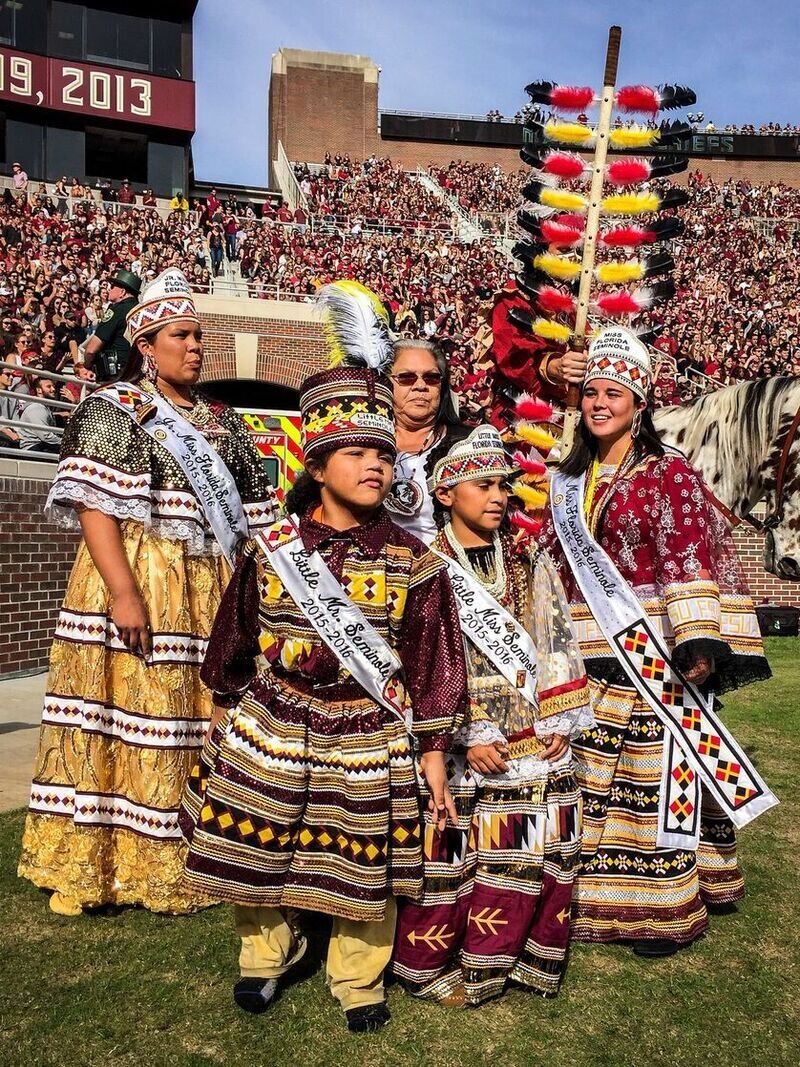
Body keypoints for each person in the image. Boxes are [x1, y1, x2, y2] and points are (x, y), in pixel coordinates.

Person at [179, 281, 468, 1033]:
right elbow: (235, 632)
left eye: (382, 451)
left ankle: (356, 974)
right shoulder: (274, 549)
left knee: (362, 854)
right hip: (275, 717)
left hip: (368, 725)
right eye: (359, 451)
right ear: (318, 459)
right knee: (255, 833)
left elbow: (433, 657)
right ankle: (263, 953)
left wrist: (434, 749)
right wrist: (219, 704)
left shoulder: (416, 559)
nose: (377, 464)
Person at [18, 268, 280, 917]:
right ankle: (95, 864)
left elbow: (255, 521)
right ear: (146, 344)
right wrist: (124, 592)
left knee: (189, 720)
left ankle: (187, 854)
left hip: (204, 587)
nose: (194, 346)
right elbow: (94, 510)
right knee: (113, 713)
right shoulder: (113, 408)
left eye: (198, 335)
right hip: (133, 577)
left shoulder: (224, 422)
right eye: (181, 335)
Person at [541, 327, 775, 956]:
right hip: (582, 648)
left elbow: (687, 552)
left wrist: (697, 639)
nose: (598, 404)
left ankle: (662, 908)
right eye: (590, 393)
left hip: (649, 647)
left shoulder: (667, 472)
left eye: (612, 393)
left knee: (652, 785)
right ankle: (589, 900)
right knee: (591, 780)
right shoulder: (568, 476)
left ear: (638, 403)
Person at [393, 425, 592, 1004]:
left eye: (504, 485)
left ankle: (520, 958)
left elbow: (553, 637)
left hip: (531, 733)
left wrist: (557, 719)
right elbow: (424, 662)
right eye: (484, 485)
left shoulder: (528, 560)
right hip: (462, 741)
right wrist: (463, 733)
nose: (500, 496)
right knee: (454, 859)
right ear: (448, 493)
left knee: (539, 847)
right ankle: (436, 963)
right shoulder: (427, 568)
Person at [386, 338, 469, 544]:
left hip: (446, 569)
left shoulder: (467, 443)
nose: (421, 386)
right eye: (406, 378)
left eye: (432, 378)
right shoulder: (365, 441)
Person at [81, 268, 141, 381]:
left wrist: (86, 365)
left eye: (113, 286)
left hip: (115, 374)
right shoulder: (141, 311)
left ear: (122, 292)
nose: (109, 289)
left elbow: (91, 349)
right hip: (137, 373)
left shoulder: (117, 310)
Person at [17, 376, 61, 453]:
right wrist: (65, 442)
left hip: (41, 445)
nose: (53, 389)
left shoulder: (43, 407)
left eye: (53, 386)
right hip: (33, 448)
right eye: (48, 386)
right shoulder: (36, 407)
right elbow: (45, 436)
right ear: (39, 390)